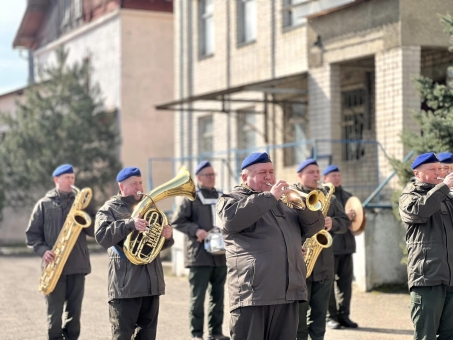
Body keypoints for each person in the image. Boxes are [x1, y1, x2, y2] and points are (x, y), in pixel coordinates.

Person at [216, 152, 325, 340]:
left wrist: (303, 205)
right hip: (253, 295)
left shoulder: (284, 204)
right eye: (262, 173)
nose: (269, 177)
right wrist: (270, 197)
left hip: (288, 293)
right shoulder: (230, 200)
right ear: (244, 177)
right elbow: (231, 221)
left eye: (271, 172)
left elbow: (315, 226)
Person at [95, 167, 174, 340]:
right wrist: (129, 224)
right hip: (126, 288)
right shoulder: (109, 209)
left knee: (147, 336)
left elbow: (154, 245)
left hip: (151, 286)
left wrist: (167, 236)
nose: (139, 187)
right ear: (121, 186)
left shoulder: (149, 206)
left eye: (140, 182)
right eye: (133, 183)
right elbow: (102, 236)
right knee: (122, 336)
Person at [25, 164, 95, 340]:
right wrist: (43, 251)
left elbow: (94, 231)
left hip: (77, 265)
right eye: (67, 178)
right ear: (57, 180)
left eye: (73, 177)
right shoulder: (43, 204)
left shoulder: (81, 203)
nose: (72, 181)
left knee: (74, 314)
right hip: (53, 267)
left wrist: (86, 213)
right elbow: (32, 235)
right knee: (54, 314)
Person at [171, 161, 229, 340]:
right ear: (199, 178)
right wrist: (196, 230)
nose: (212, 178)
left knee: (218, 297)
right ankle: (196, 334)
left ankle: (216, 332)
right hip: (199, 256)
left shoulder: (222, 196)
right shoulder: (191, 197)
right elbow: (178, 221)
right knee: (198, 298)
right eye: (208, 175)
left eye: (213, 175)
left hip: (220, 256)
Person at [399, 152, 453, 340]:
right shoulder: (409, 196)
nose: (439, 172)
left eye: (440, 168)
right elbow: (420, 211)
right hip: (427, 278)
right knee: (426, 335)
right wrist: (444, 187)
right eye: (432, 169)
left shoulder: (447, 197)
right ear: (417, 173)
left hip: (450, 279)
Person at [295, 159, 349, 340]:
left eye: (318, 172)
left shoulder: (330, 198)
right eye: (311, 172)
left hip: (324, 267)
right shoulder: (291, 197)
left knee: (319, 320)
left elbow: (345, 223)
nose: (316, 176)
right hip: (300, 266)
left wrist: (333, 222)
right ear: (299, 175)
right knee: (299, 321)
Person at [323, 164, 359, 329]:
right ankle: (332, 317)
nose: (337, 178)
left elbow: (358, 221)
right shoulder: (324, 197)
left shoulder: (349, 196)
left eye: (338, 175)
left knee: (346, 285)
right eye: (333, 176)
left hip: (348, 246)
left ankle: (345, 316)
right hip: (330, 247)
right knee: (329, 284)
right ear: (326, 179)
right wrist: (345, 216)